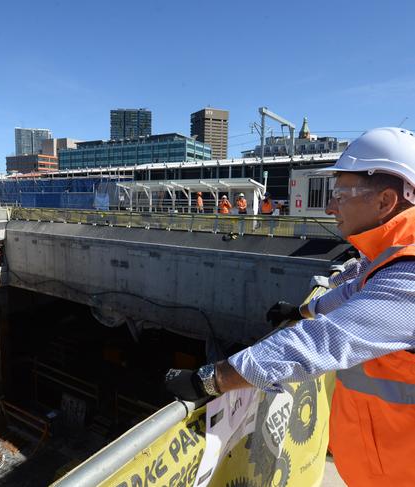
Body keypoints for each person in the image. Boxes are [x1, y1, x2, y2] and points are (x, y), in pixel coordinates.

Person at [165, 127, 415, 486]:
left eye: (340, 194)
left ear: (385, 202)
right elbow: (353, 292)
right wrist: (300, 311)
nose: (330, 207)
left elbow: (318, 344)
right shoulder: (390, 258)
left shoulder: (409, 274)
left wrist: (211, 379)